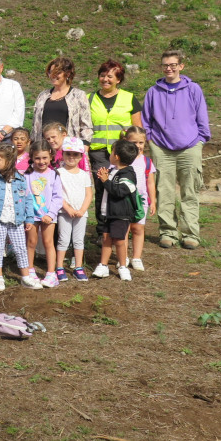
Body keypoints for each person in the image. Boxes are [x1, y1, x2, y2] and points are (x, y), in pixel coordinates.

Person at [141, 49, 210, 250]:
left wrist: (200, 141)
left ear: (181, 66)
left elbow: (202, 119)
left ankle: (190, 234)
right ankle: (168, 232)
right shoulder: (153, 92)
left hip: (190, 148)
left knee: (190, 191)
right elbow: (146, 121)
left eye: (173, 65)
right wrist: (152, 142)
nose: (169, 68)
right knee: (164, 191)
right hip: (162, 149)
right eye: (165, 65)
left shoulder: (193, 89)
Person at [88, 60, 142, 241]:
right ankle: (102, 231)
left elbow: (137, 128)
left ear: (118, 79)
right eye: (102, 75)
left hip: (122, 154)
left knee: (122, 189)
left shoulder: (129, 98)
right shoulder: (89, 98)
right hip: (99, 153)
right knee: (102, 189)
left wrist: (136, 151)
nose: (105, 79)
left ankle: (121, 228)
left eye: (110, 76)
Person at [0, 142, 42, 291]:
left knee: (21, 248)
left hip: (17, 220)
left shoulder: (20, 179)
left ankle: (25, 277)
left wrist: (29, 218)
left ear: (9, 161)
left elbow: (27, 199)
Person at [93, 140, 141, 281]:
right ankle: (103, 265)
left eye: (112, 151)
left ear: (117, 156)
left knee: (119, 241)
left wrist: (106, 181)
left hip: (121, 214)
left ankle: (122, 266)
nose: (110, 154)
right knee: (106, 238)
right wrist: (101, 179)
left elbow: (119, 192)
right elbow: (106, 189)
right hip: (109, 212)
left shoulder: (128, 174)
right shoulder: (113, 171)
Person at [24, 141, 62, 288]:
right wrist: (28, 215)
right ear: (32, 157)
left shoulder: (54, 175)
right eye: (38, 158)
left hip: (48, 216)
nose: (41, 161)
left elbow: (58, 197)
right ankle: (30, 271)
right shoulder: (26, 175)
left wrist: (51, 214)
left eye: (45, 158)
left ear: (51, 156)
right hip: (31, 217)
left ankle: (51, 274)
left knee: (48, 243)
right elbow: (24, 196)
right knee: (31, 243)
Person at [30, 57, 94, 144]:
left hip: (69, 147)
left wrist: (85, 145)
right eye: (50, 72)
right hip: (44, 148)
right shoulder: (43, 95)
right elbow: (35, 125)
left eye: (57, 73)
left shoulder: (78, 95)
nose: (52, 75)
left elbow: (86, 125)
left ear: (67, 74)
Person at [55, 137, 93, 282]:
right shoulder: (59, 172)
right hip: (64, 213)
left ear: (81, 156)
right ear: (63, 154)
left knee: (78, 240)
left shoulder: (84, 175)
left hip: (81, 214)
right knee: (63, 239)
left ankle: (78, 267)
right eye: (68, 154)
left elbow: (89, 194)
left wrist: (83, 210)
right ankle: (59, 267)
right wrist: (67, 208)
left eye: (75, 154)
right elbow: (57, 193)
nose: (71, 157)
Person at [124, 126, 156, 270]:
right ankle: (123, 256)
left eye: (141, 143)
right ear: (126, 141)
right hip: (123, 200)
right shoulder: (121, 159)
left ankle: (136, 257)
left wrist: (153, 200)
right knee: (124, 229)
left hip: (140, 201)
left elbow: (150, 182)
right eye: (134, 142)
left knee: (138, 228)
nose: (137, 146)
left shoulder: (147, 162)